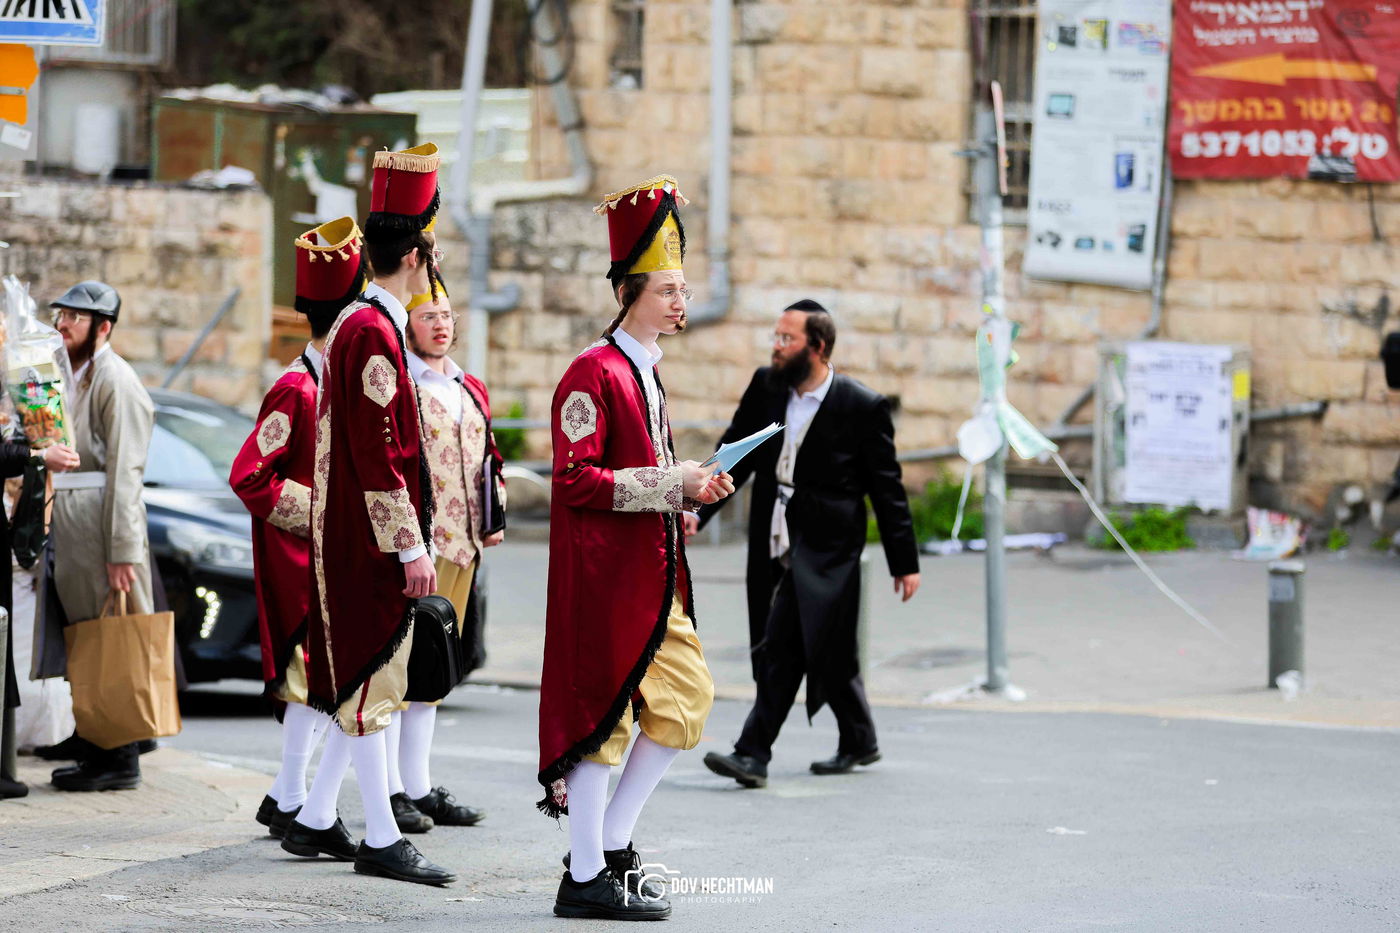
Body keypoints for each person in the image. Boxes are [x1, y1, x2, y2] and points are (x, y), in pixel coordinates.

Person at [537, 174, 734, 921]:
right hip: (605, 579)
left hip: (653, 572)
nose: (680, 302)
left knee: (685, 700)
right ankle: (585, 872)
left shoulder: (647, 370)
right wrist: (668, 483)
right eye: (666, 289)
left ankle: (611, 842)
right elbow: (574, 478)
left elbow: (645, 477)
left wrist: (684, 497)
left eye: (684, 289)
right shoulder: (594, 370)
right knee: (604, 721)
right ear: (628, 291)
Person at [285, 145, 454, 886]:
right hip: (362, 538)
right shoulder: (375, 331)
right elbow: (379, 452)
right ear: (417, 254)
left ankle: (318, 815)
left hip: (348, 530)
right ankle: (381, 836)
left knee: (365, 677)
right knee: (369, 682)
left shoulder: (357, 323)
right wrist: (411, 546)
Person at [695, 299, 921, 789]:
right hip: (772, 530)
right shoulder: (767, 386)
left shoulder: (862, 406)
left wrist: (904, 563)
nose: (776, 348)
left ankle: (752, 753)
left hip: (827, 546)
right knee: (826, 641)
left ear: (816, 347)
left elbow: (887, 488)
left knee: (787, 640)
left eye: (786, 339)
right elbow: (738, 450)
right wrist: (698, 510)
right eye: (775, 338)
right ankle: (860, 739)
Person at [230, 217, 368, 837]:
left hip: (330, 555)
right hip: (298, 556)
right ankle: (291, 798)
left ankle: (288, 795)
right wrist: (325, 516)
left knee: (325, 682)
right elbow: (250, 476)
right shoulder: (296, 390)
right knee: (310, 677)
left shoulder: (334, 383)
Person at [383, 286, 503, 834]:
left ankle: (418, 785)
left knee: (434, 670)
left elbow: (489, 457)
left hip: (465, 544)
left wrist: (493, 512)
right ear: (407, 324)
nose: (441, 324)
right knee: (396, 671)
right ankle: (388, 791)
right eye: (428, 315)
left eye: (447, 315)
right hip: (418, 547)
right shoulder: (401, 385)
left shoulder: (466, 384)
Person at [39, 281, 159, 792]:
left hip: (99, 524)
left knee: (109, 636)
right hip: (74, 519)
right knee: (83, 635)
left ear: (102, 327)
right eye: (61, 315)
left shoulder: (116, 379)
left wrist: (122, 551)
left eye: (74, 317)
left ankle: (119, 754)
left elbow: (127, 473)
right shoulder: (75, 374)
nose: (62, 324)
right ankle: (93, 734)